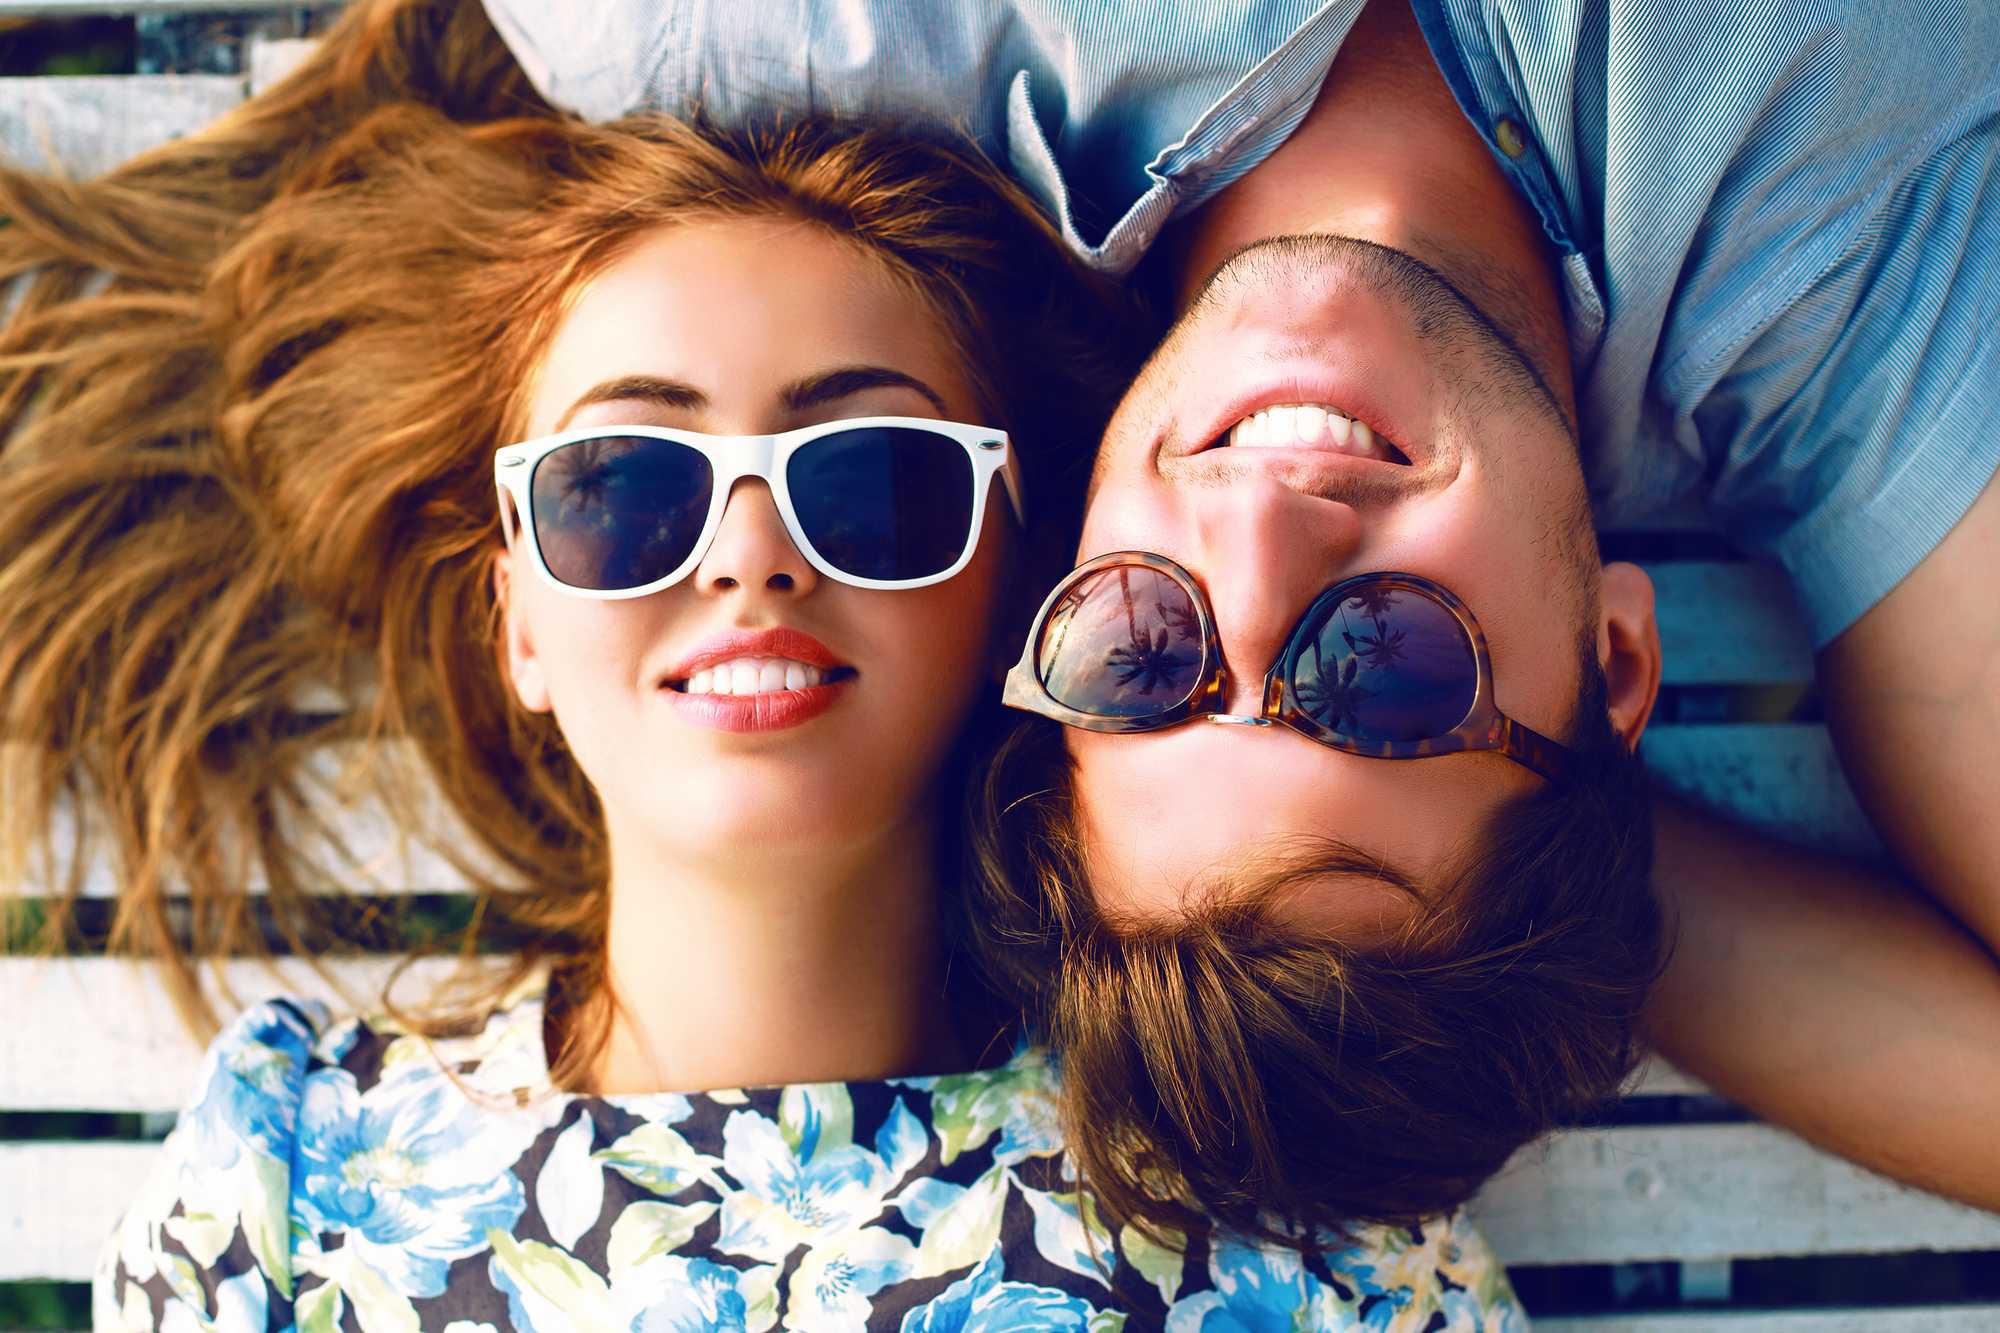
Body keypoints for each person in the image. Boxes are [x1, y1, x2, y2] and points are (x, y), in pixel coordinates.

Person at [0, 2, 1532, 1328]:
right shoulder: (280, 1194)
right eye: (624, 491)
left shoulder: (1297, 1225)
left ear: (1025, 591)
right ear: (518, 617)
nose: (747, 558)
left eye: (874, 482)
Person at [481, 0, 2000, 1217]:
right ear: (1612, 662)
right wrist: (1558, 901)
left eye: (1146, 659)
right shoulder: (1857, 310)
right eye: (1390, 674)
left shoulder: (766, 31)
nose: (1263, 534)